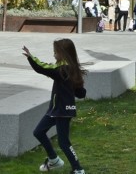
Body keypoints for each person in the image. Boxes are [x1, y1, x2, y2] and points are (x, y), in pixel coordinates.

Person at [23, 40, 87, 174]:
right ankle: (54, 160)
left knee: (63, 142)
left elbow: (43, 68)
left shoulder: (62, 69)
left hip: (62, 111)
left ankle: (78, 169)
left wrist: (31, 57)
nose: (54, 55)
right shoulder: (70, 69)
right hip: (55, 109)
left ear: (63, 54)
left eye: (55, 52)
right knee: (38, 132)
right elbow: (80, 93)